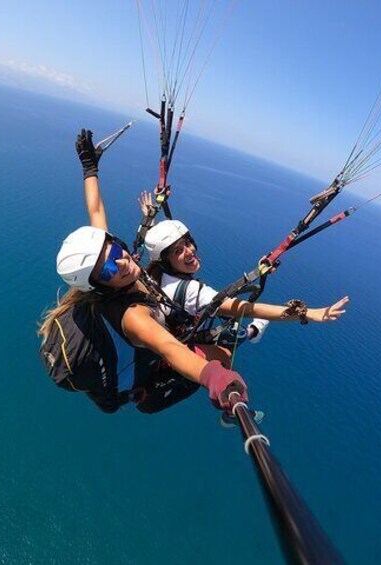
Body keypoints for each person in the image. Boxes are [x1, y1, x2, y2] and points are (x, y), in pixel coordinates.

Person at [39, 129, 246, 414]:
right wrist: (214, 377)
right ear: (99, 286)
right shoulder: (133, 316)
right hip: (145, 377)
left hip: (144, 342)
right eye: (109, 268)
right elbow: (168, 348)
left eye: (114, 251)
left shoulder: (103, 263)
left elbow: (96, 211)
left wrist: (90, 168)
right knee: (223, 354)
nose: (121, 262)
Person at [139, 193, 350, 344]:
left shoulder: (151, 274)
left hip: (176, 325)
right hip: (190, 338)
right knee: (233, 337)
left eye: (187, 243)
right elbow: (248, 309)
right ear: (165, 261)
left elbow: (151, 250)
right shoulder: (193, 292)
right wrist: (309, 314)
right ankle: (253, 331)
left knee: (221, 321)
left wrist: (148, 220)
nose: (189, 250)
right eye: (178, 251)